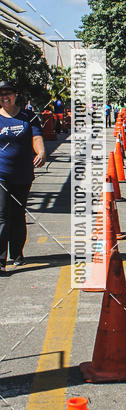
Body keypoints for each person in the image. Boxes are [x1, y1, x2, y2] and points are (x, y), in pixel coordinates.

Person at [0, 81, 46, 271]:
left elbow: (36, 137)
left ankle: (17, 253)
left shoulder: (28, 117)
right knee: (2, 215)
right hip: (1, 174)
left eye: (8, 94)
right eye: (1, 95)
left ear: (16, 95)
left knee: (18, 214)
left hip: (23, 174)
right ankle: (1, 260)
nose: (4, 98)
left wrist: (41, 152)